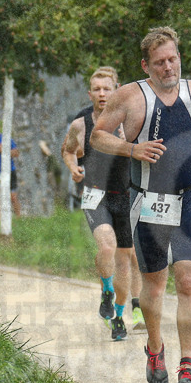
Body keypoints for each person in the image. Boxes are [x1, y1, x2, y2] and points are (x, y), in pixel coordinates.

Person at [90, 26, 191, 383]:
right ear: (146, 65)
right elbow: (98, 135)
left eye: (173, 59)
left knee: (188, 281)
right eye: (160, 63)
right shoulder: (129, 97)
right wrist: (132, 149)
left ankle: (188, 365)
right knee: (154, 283)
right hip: (147, 200)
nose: (168, 68)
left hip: (190, 198)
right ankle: (154, 347)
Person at [61, 66, 144, 341]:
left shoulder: (128, 121)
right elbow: (68, 150)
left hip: (126, 196)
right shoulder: (81, 124)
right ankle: (106, 289)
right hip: (96, 196)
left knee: (125, 260)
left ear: (116, 90)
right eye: (97, 89)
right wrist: (73, 168)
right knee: (107, 247)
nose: (102, 93)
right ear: (90, 93)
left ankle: (119, 316)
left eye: (107, 88)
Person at [0, 120, 22, 218]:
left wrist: (4, 150)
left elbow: (16, 153)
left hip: (9, 171)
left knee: (13, 197)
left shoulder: (6, 139)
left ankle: (19, 216)